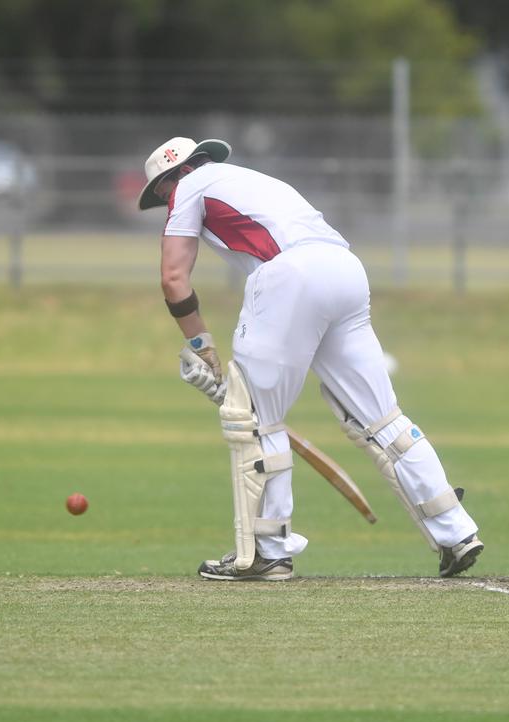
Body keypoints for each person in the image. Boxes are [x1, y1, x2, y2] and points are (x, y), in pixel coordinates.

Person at [138, 137, 483, 581]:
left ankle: (265, 552)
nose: (166, 204)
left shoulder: (187, 188)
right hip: (345, 270)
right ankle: (455, 530)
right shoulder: (246, 178)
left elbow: (173, 278)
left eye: (161, 195)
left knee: (255, 419)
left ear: (173, 178)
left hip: (291, 274)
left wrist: (201, 345)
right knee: (382, 420)